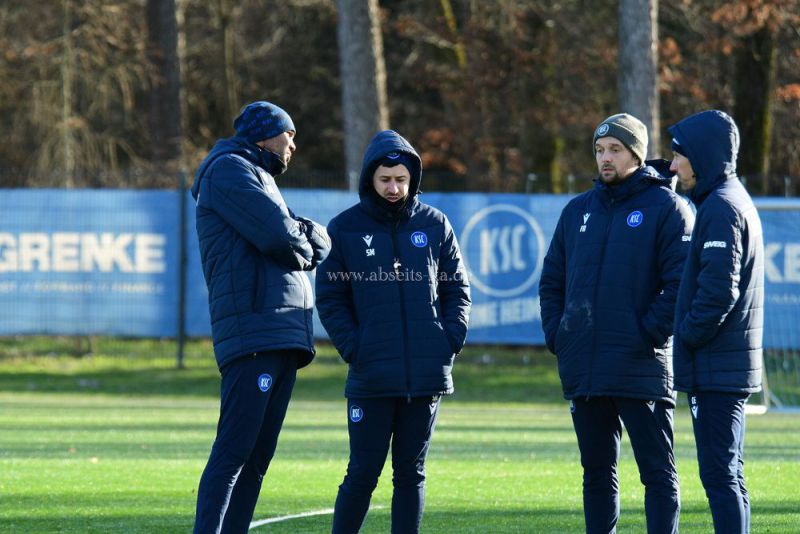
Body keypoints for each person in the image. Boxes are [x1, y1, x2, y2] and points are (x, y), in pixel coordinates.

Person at [539, 113, 695, 534]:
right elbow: (552, 280)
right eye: (599, 150)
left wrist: (647, 333)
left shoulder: (669, 209)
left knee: (657, 475)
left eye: (615, 150)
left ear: (636, 154)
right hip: (585, 366)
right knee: (596, 475)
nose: (604, 158)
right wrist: (560, 335)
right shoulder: (576, 212)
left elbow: (679, 285)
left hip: (639, 363)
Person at [315, 130, 471, 534]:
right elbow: (331, 297)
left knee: (411, 474)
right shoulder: (345, 228)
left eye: (401, 179)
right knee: (363, 472)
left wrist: (448, 339)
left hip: (425, 375)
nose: (393, 187)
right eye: (385, 179)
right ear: (370, 178)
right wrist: (354, 346)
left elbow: (457, 288)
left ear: (412, 179)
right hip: (371, 374)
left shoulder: (435, 224)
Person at [190, 100, 330, 533]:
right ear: (263, 135)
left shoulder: (258, 176)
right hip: (255, 331)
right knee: (235, 449)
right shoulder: (229, 170)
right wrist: (304, 236)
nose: (293, 144)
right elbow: (281, 237)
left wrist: (304, 237)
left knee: (257, 456)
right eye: (288, 134)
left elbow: (311, 242)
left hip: (280, 332)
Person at [668, 110, 764, 534]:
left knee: (720, 478)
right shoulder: (728, 198)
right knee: (728, 475)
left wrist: (684, 337)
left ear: (702, 157)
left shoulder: (722, 208)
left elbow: (717, 293)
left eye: (679, 156)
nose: (673, 166)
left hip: (717, 367)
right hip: (725, 365)